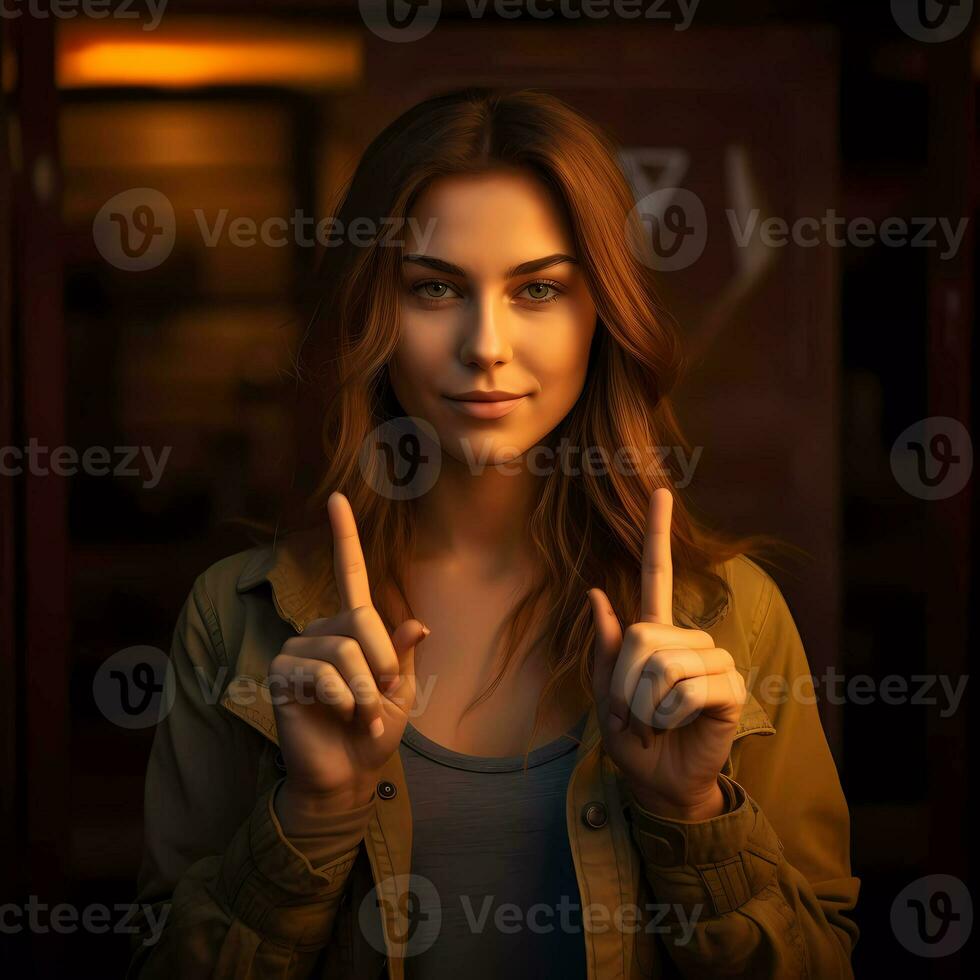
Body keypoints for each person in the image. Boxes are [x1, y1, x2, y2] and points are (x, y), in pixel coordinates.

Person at [127, 89, 859, 979]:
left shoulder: (733, 616)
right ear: (375, 314)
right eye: (434, 288)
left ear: (605, 313)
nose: (486, 344)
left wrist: (695, 813)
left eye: (539, 289)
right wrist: (313, 816)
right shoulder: (237, 616)